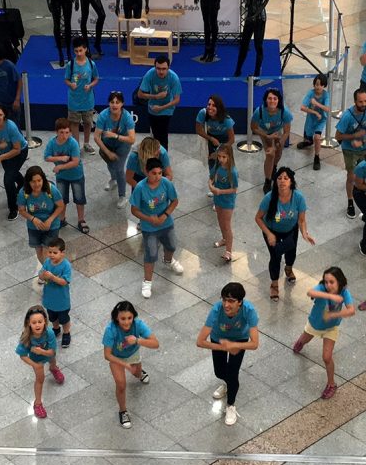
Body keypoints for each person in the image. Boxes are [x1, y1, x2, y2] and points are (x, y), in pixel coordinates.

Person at [196, 282, 260, 426]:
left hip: (239, 340)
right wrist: (225, 348)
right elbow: (200, 341)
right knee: (219, 372)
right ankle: (228, 384)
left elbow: (254, 343)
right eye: (224, 299)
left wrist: (234, 345)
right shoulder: (216, 310)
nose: (226, 305)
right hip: (218, 339)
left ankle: (231, 405)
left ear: (240, 302)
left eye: (231, 301)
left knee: (232, 374)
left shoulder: (249, 310)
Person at [292, 267, 355, 400]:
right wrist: (330, 295)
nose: (328, 285)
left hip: (331, 328)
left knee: (327, 357)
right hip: (314, 324)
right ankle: (300, 342)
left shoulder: (344, 292)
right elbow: (310, 292)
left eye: (332, 282)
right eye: (326, 282)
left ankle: (331, 384)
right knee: (305, 339)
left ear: (340, 281)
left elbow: (351, 310)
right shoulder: (321, 288)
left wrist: (334, 314)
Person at [256, 167, 316, 302]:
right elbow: (258, 218)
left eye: (286, 178)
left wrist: (305, 233)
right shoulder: (269, 198)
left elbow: (301, 220)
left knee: (291, 253)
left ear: (291, 182)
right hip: (271, 231)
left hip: (291, 230)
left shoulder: (298, 197)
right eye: (279, 178)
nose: (282, 181)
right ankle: (274, 285)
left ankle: (288, 269)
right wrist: (269, 234)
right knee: (275, 257)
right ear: (275, 181)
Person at [130, 157, 184, 298]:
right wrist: (149, 219)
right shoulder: (140, 188)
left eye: (160, 173)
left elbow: (174, 201)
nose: (158, 176)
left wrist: (164, 215)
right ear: (147, 172)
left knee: (172, 245)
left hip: (166, 223)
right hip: (149, 228)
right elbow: (134, 209)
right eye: (154, 173)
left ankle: (168, 260)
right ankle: (147, 282)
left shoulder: (166, 183)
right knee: (151, 254)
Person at [104, 300, 159, 429]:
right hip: (117, 358)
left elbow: (156, 344)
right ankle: (123, 411)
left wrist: (137, 340)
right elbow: (107, 355)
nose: (127, 322)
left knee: (137, 373)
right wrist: (124, 364)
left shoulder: (138, 324)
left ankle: (140, 373)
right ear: (116, 318)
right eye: (123, 318)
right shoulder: (110, 330)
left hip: (133, 353)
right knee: (121, 385)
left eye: (129, 318)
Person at [336, 89, 366, 219]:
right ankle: (350, 202)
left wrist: (363, 141)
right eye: (360, 101)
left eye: (365, 101)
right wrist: (354, 136)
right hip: (349, 150)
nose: (363, 104)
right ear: (355, 101)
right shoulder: (347, 116)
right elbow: (337, 136)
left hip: (364, 149)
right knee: (351, 176)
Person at [18, 165, 67, 279]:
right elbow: (21, 210)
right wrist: (34, 219)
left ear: (43, 179)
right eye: (33, 181)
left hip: (51, 225)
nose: (37, 184)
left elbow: (60, 206)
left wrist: (50, 220)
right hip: (34, 226)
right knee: (39, 250)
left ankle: (48, 274)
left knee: (47, 251)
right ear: (28, 182)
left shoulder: (51, 190)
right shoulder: (23, 192)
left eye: (39, 180)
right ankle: (47, 271)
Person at [16, 305, 63, 419]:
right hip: (37, 361)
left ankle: (53, 368)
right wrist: (35, 365)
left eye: (40, 321)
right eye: (34, 322)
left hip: (48, 354)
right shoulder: (27, 337)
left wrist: (41, 351)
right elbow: (22, 355)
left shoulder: (49, 333)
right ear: (29, 323)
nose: (37, 325)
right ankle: (37, 403)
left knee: (53, 359)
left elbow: (52, 352)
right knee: (40, 380)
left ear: (45, 322)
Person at [44, 118, 89, 233]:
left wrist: (60, 167)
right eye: (61, 132)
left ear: (70, 132)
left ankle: (81, 220)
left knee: (79, 199)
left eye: (67, 132)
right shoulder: (52, 143)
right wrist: (60, 158)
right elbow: (46, 157)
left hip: (76, 176)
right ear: (56, 132)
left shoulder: (73, 143)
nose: (64, 135)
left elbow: (75, 161)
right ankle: (61, 219)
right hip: (61, 177)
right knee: (61, 199)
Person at [95, 91, 137, 207]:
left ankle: (122, 196)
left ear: (122, 104)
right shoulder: (103, 115)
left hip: (122, 145)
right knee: (111, 165)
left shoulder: (127, 117)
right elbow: (96, 137)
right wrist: (107, 152)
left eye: (117, 102)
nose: (114, 105)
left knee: (119, 168)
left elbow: (132, 139)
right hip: (107, 145)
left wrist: (115, 136)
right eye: (112, 102)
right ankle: (113, 180)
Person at [250, 88, 293, 191]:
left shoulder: (284, 112)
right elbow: (253, 127)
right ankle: (268, 180)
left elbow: (286, 131)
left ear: (279, 100)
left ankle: (274, 167)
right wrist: (267, 136)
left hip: (278, 132)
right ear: (266, 100)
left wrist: (279, 143)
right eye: (270, 98)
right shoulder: (259, 111)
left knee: (278, 153)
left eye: (275, 98)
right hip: (264, 131)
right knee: (270, 154)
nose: (272, 101)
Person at [137, 55, 182, 148]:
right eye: (158, 68)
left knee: (163, 136)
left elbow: (177, 99)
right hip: (152, 108)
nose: (161, 71)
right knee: (155, 135)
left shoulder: (174, 78)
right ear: (155, 67)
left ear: (168, 68)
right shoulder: (150, 74)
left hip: (167, 109)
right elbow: (140, 94)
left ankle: (163, 158)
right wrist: (155, 97)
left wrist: (161, 108)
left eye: (164, 69)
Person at [65, 37, 99, 155]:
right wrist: (71, 84)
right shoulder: (71, 64)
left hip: (87, 100)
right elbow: (66, 80)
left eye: (80, 50)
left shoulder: (91, 63)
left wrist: (90, 85)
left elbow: (96, 79)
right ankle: (76, 146)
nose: (78, 53)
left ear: (85, 49)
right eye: (76, 51)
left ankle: (86, 143)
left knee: (88, 122)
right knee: (74, 123)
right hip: (74, 100)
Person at [41, 237, 74, 348]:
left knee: (64, 318)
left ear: (62, 253)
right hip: (49, 298)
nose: (51, 255)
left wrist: (52, 277)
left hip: (62, 300)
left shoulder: (66, 266)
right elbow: (41, 274)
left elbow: (64, 281)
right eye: (49, 252)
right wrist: (43, 276)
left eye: (55, 252)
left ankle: (66, 333)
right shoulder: (47, 262)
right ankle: (55, 329)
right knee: (52, 317)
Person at [209, 143, 239, 263]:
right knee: (220, 222)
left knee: (226, 225)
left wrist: (220, 191)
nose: (221, 159)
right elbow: (210, 178)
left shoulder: (233, 172)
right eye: (219, 156)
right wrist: (211, 186)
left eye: (224, 157)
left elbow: (234, 189)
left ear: (229, 157)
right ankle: (224, 239)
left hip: (227, 201)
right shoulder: (217, 166)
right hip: (218, 199)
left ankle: (229, 251)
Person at [297, 73, 332, 170]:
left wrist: (316, 104)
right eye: (316, 84)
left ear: (324, 86)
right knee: (308, 135)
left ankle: (317, 157)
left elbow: (327, 109)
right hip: (311, 118)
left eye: (321, 85)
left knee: (317, 137)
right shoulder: (310, 93)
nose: (318, 87)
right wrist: (315, 112)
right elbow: (302, 107)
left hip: (321, 120)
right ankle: (308, 142)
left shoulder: (326, 95)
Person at [196, 94, 236, 174]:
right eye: (209, 104)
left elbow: (232, 139)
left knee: (226, 165)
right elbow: (198, 130)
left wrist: (219, 152)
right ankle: (213, 180)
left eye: (214, 105)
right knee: (212, 165)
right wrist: (211, 139)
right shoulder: (203, 113)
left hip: (225, 141)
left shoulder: (226, 119)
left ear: (219, 108)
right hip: (211, 138)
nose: (210, 107)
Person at [0, 42, 22, 124]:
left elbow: (19, 81)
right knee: (3, 125)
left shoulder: (9, 66)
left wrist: (17, 99)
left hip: (12, 102)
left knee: (14, 126)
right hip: (1, 103)